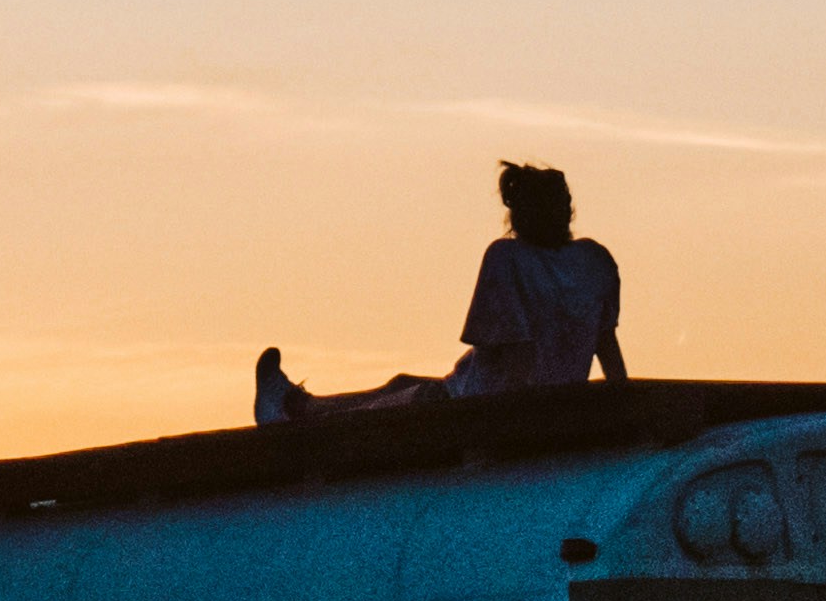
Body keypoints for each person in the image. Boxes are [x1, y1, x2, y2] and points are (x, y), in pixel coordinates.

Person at [255, 163, 625, 424]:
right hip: (534, 400)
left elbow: (513, 354)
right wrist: (624, 405)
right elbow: (606, 344)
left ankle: (292, 411)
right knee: (400, 384)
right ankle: (295, 404)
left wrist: (519, 424)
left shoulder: (507, 257)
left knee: (400, 401)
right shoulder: (594, 260)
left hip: (472, 405)